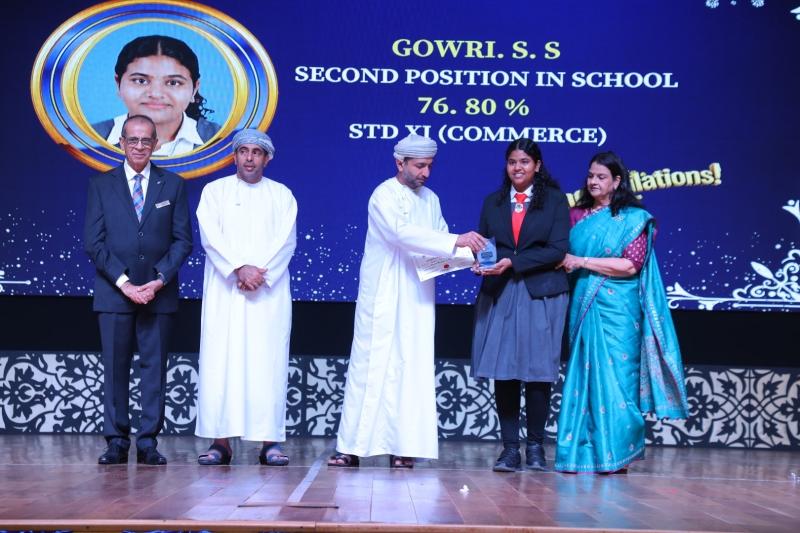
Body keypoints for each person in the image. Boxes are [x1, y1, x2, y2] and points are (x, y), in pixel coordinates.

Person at [328, 134, 487, 469]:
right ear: (399, 163)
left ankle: (404, 447)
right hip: (383, 292)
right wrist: (455, 241)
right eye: (419, 166)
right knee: (369, 366)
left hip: (417, 294)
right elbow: (400, 233)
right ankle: (351, 447)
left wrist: (468, 259)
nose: (425, 173)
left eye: (429, 166)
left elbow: (440, 245)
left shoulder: (431, 199)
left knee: (411, 366)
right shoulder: (383, 194)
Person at [554, 151, 690, 474]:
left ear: (616, 181)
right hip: (584, 303)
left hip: (620, 310)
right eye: (590, 175)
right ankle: (581, 454)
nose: (593, 181)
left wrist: (582, 262)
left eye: (601, 177)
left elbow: (631, 265)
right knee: (585, 378)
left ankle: (617, 455)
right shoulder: (576, 216)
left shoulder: (634, 218)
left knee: (619, 380)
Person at [84, 114, 193, 465]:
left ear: (156, 144)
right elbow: (93, 242)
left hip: (158, 294)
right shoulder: (101, 185)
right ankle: (116, 441)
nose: (140, 146)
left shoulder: (173, 185)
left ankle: (148, 442)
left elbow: (183, 241)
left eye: (147, 140)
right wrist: (126, 283)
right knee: (115, 370)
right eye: (133, 140)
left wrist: (159, 279)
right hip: (114, 293)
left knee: (154, 371)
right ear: (121, 143)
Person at [194, 129, 297, 466]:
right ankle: (220, 442)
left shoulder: (282, 194)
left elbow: (286, 241)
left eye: (257, 152)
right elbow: (210, 236)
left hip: (267, 293)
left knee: (268, 364)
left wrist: (257, 274)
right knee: (221, 363)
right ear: (235, 156)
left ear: (267, 158)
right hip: (226, 291)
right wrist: (238, 268)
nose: (249, 158)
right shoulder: (215, 191)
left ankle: (270, 443)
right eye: (244, 151)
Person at [471, 139, 569, 472]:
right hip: (500, 291)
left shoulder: (555, 200)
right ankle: (510, 450)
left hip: (542, 293)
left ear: (537, 166)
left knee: (538, 372)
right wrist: (481, 263)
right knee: (505, 372)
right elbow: (486, 246)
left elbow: (557, 250)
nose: (518, 167)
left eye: (525, 161)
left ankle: (536, 448)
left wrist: (513, 262)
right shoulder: (493, 201)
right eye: (512, 161)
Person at [92, 35, 221, 157]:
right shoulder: (90, 138)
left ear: (194, 89)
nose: (156, 94)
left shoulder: (223, 140)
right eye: (141, 81)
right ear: (118, 84)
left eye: (173, 83)